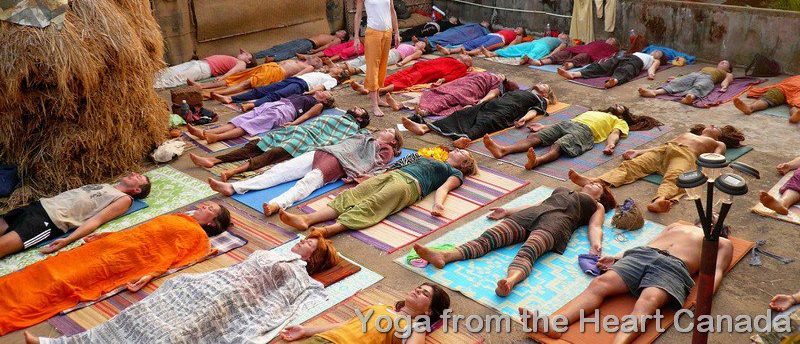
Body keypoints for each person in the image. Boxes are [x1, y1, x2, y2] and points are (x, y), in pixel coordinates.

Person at [26, 232, 338, 344]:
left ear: (314, 255)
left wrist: (253, 315)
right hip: (209, 283)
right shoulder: (281, 253)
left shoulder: (298, 271)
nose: (301, 240)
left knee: (175, 335)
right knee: (139, 313)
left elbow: (277, 301)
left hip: (229, 298)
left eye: (308, 242)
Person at [0, 202, 231, 335]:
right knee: (47, 268)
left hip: (123, 261)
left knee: (63, 282)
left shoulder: (197, 236)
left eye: (209, 207)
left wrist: (150, 275)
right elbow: (140, 232)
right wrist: (109, 235)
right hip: (110, 246)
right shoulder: (182, 218)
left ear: (212, 222)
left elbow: (172, 257)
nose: (203, 205)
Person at [520, 221, 733, 344]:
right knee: (599, 284)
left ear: (721, 229)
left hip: (674, 267)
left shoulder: (721, 242)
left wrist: (705, 297)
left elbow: (716, 271)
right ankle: (555, 324)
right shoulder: (677, 224)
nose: (710, 218)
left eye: (715, 218)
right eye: (708, 216)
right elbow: (648, 243)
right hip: (642, 255)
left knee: (648, 302)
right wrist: (618, 257)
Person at [415, 182, 615, 297]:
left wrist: (596, 244)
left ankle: (509, 281)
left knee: (529, 251)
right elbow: (538, 203)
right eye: (592, 180)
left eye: (599, 185)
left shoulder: (597, 206)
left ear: (600, 196)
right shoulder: (564, 190)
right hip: (531, 214)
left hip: (557, 224)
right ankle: (445, 256)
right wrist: (508, 211)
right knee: (489, 237)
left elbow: (595, 226)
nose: (594, 182)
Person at [278, 150, 477, 237]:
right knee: (351, 195)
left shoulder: (455, 172)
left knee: (372, 205)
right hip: (394, 175)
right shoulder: (435, 158)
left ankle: (329, 230)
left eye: (463, 154)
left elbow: (443, 188)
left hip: (409, 185)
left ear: (464, 164)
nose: (458, 150)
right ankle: (308, 220)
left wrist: (438, 205)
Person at [208, 128, 402, 215]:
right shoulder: (366, 135)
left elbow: (376, 164)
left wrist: (358, 175)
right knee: (281, 170)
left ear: (393, 141)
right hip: (325, 152)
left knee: (308, 181)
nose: (384, 130)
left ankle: (277, 204)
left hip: (340, 162)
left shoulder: (386, 149)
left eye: (389, 131)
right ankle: (234, 186)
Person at [568, 124, 745, 213]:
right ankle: (596, 181)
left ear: (720, 135)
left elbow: (718, 157)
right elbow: (662, 145)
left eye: (716, 128)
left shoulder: (718, 142)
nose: (712, 126)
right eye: (711, 124)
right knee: (631, 166)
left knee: (676, 177)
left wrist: (705, 170)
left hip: (686, 155)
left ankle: (660, 200)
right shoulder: (689, 133)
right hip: (664, 150)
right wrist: (638, 151)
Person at [189, 107, 371, 180]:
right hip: (298, 131)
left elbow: (362, 138)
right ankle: (215, 160)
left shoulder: (354, 128)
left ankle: (233, 171)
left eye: (360, 110)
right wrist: (295, 125)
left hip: (308, 140)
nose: (356, 108)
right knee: (258, 144)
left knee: (273, 153)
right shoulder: (334, 115)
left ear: (361, 119)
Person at [0, 173, 151, 259]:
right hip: (38, 207)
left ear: (137, 190)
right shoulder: (107, 186)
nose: (133, 173)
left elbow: (96, 220)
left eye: (138, 177)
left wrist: (67, 240)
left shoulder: (124, 200)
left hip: (48, 222)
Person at [482, 105, 662, 170]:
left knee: (560, 145)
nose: (617, 106)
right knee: (536, 138)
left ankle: (537, 161)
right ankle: (503, 149)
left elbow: (614, 134)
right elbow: (572, 119)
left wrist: (611, 146)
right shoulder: (593, 111)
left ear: (623, 116)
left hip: (586, 133)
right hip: (569, 123)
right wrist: (545, 126)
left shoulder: (618, 121)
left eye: (621, 108)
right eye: (616, 105)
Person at [279, 283, 451, 344]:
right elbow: (346, 325)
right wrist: (305, 330)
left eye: (424, 294)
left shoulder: (414, 327)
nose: (417, 291)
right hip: (322, 340)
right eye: (418, 289)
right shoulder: (381, 306)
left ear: (428, 311)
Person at [402, 84, 555, 149]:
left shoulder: (542, 100)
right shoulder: (524, 90)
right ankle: (424, 127)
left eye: (544, 86)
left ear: (544, 93)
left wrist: (525, 119)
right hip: (495, 103)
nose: (540, 83)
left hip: (508, 111)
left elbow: (535, 111)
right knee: (463, 113)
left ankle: (464, 140)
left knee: (485, 122)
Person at [186, 92, 335, 144]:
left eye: (325, 94)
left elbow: (308, 115)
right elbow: (315, 90)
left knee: (249, 125)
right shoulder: (308, 95)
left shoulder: (318, 105)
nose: (322, 92)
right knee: (240, 120)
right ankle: (209, 133)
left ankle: (216, 138)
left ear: (325, 101)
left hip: (285, 112)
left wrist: (293, 123)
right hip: (275, 104)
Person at [353, 0, 401, 117]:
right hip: (372, 33)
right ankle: (373, 104)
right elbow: (358, 14)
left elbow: (392, 11)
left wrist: (397, 32)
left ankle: (377, 96)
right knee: (372, 66)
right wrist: (355, 36)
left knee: (382, 65)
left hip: (387, 32)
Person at [386, 72, 518, 117]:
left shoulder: (498, 85)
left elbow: (491, 95)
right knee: (432, 93)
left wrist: (481, 102)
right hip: (465, 82)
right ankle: (400, 104)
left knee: (450, 98)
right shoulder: (493, 76)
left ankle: (424, 111)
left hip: (471, 89)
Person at [211, 69, 346, 111]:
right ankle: (231, 98)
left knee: (276, 95)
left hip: (302, 86)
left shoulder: (332, 80)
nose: (336, 67)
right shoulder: (325, 72)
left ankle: (250, 105)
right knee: (261, 90)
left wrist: (309, 93)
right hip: (295, 79)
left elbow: (321, 88)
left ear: (339, 74)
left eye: (339, 69)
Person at [349, 55, 473, 97]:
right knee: (397, 75)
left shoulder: (462, 67)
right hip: (421, 66)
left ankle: (381, 90)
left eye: (467, 57)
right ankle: (367, 88)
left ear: (467, 63)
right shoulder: (451, 58)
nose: (464, 55)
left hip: (429, 72)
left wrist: (442, 80)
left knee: (406, 80)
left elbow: (454, 76)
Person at [188, 59, 315, 97]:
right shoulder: (302, 59)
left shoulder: (310, 67)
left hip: (277, 73)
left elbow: (297, 76)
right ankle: (202, 86)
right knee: (235, 78)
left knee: (246, 83)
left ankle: (213, 94)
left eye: (318, 60)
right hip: (269, 67)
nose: (317, 58)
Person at [638, 60, 734, 105]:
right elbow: (690, 75)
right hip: (695, 74)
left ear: (729, 69)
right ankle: (654, 92)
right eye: (721, 61)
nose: (723, 62)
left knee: (700, 87)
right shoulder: (708, 67)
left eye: (726, 63)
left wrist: (724, 87)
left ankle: (689, 98)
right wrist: (677, 78)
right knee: (677, 83)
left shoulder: (727, 73)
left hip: (708, 78)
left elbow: (727, 80)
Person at [558, 50, 667, 89]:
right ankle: (574, 74)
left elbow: (653, 68)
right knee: (602, 66)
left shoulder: (655, 60)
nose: (656, 51)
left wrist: (651, 74)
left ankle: (614, 81)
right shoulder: (643, 52)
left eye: (659, 52)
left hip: (636, 62)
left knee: (625, 71)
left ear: (660, 58)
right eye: (655, 50)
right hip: (624, 57)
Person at [154, 50, 254, 89]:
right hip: (198, 63)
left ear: (248, 61)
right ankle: (146, 80)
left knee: (177, 78)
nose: (243, 52)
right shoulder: (235, 59)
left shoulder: (242, 64)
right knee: (169, 71)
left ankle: (153, 87)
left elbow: (233, 71)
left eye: (246, 54)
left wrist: (222, 77)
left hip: (205, 69)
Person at [735, 74, 800, 123]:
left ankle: (795, 115)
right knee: (767, 97)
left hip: (797, 91)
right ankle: (750, 108)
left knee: (797, 104)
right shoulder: (796, 77)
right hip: (784, 88)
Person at [254, 30, 349, 63]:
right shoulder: (330, 35)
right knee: (279, 47)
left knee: (290, 51)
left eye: (342, 32)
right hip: (305, 40)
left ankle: (273, 59)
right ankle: (255, 55)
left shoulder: (338, 40)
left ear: (343, 38)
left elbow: (327, 47)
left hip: (310, 45)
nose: (340, 31)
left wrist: (315, 51)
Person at [341, 41, 429, 76]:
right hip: (389, 51)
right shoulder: (410, 45)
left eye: (422, 43)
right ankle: (344, 65)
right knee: (368, 57)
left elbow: (410, 57)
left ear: (423, 48)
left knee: (376, 62)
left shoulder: (418, 51)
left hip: (395, 55)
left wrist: (402, 63)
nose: (419, 42)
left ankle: (355, 70)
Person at [530, 37, 619, 68]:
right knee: (565, 52)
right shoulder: (598, 42)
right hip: (583, 48)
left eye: (612, 40)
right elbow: (588, 45)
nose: (610, 39)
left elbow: (610, 56)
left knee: (582, 56)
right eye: (610, 38)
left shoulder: (612, 49)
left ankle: (568, 65)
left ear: (613, 45)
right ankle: (540, 62)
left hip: (590, 53)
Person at [480, 33, 570, 63]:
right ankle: (492, 53)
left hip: (543, 46)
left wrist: (548, 56)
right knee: (515, 48)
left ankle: (525, 59)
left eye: (564, 34)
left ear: (565, 38)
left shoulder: (563, 43)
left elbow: (557, 50)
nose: (561, 33)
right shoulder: (552, 37)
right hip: (534, 42)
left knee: (534, 53)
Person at [436, 26, 525, 54]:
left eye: (520, 28)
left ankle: (469, 53)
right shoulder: (508, 30)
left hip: (499, 39)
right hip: (490, 35)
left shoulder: (518, 36)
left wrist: (506, 50)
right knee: (469, 44)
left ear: (522, 33)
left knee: (482, 47)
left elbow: (516, 42)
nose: (518, 27)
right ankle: (449, 50)